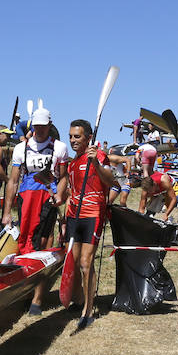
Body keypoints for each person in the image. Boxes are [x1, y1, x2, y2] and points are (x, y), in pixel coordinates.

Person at [2, 107, 70, 314]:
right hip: (26, 199)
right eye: (37, 126)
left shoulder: (59, 147)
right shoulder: (21, 148)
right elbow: (13, 181)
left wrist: (59, 195)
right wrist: (6, 212)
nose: (40, 130)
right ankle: (23, 290)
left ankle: (37, 298)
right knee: (24, 243)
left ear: (50, 125)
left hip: (47, 199)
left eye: (44, 126)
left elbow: (63, 176)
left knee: (42, 244)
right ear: (32, 126)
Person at [59, 119, 117, 330]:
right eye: (71, 136)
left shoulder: (99, 156)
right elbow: (71, 192)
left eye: (78, 136)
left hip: (93, 214)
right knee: (72, 262)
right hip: (73, 215)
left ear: (88, 138)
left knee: (86, 263)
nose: (73, 140)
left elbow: (112, 182)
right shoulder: (73, 163)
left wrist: (95, 164)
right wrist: (64, 218)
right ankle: (79, 299)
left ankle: (88, 310)